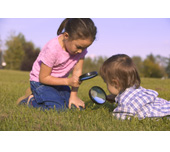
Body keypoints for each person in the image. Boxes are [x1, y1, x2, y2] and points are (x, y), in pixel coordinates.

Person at [17, 18, 97, 111]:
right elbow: (43, 78)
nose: (81, 51)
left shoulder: (80, 51)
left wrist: (74, 96)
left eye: (85, 48)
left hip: (60, 83)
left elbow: (77, 73)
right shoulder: (52, 49)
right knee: (57, 108)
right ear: (66, 36)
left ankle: (42, 96)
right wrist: (67, 82)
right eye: (79, 47)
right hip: (40, 82)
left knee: (75, 107)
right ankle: (29, 100)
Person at [100, 54, 170, 120]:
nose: (106, 86)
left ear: (115, 83)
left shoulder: (126, 102)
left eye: (106, 83)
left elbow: (121, 116)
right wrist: (116, 99)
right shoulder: (135, 88)